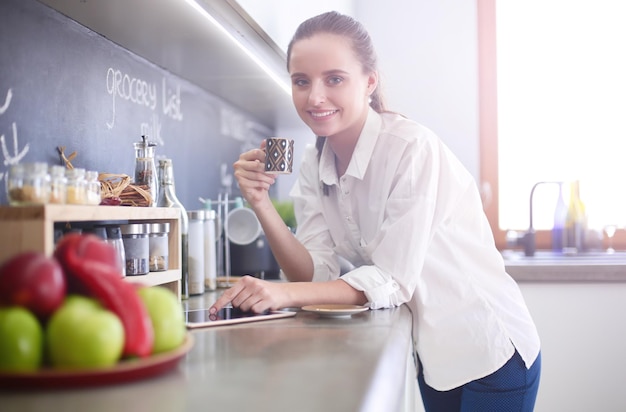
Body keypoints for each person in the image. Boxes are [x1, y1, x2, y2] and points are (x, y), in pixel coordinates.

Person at [210, 10, 541, 411]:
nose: (315, 97)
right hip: (436, 359)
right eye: (301, 81)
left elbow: (392, 279)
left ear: (369, 81)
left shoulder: (410, 148)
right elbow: (314, 272)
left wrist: (280, 293)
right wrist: (260, 203)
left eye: (334, 79)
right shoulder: (316, 166)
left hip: (490, 349)